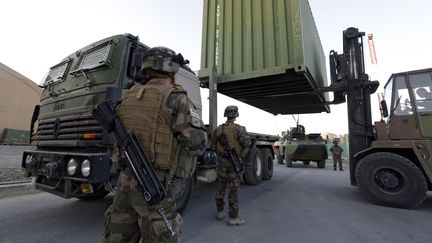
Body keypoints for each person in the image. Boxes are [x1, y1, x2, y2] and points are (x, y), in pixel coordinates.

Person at [102, 46, 207, 243]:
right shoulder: (176, 98)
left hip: (125, 179)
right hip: (154, 182)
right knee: (161, 234)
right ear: (172, 68)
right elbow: (197, 145)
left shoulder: (128, 97)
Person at [213, 106, 251, 226]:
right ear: (236, 115)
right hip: (234, 163)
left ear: (226, 114)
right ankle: (233, 218)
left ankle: (220, 212)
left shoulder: (218, 130)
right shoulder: (239, 129)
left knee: (220, 188)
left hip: (222, 163)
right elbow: (247, 143)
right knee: (233, 190)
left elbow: (214, 146)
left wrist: (221, 155)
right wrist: (240, 155)